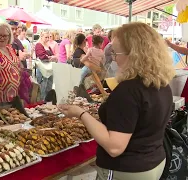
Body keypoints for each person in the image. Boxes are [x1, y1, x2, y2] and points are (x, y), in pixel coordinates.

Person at [59, 22, 175, 180]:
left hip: (128, 170)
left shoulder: (128, 91)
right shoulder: (162, 84)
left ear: (133, 54)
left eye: (116, 54)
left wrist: (80, 113)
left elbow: (114, 147)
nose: (114, 59)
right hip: (154, 163)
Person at [35, 30, 57, 100]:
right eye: (46, 37)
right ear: (41, 37)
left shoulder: (48, 46)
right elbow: (42, 56)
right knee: (43, 87)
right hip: (42, 69)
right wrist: (51, 57)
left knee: (49, 86)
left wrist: (51, 57)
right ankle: (42, 102)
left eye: (48, 37)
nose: (47, 39)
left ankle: (47, 101)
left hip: (49, 69)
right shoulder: (38, 45)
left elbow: (53, 55)